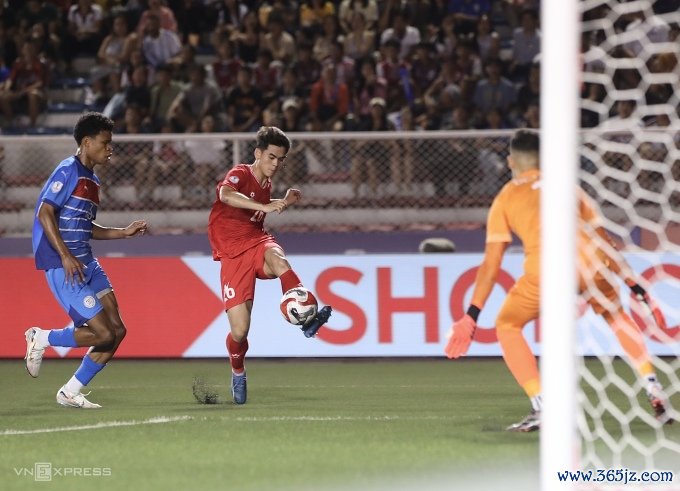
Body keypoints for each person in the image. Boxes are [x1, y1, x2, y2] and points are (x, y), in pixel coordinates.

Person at [444, 129, 672, 431]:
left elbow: (492, 263)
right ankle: (652, 384)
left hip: (547, 270)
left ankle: (542, 406)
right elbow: (604, 241)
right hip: (592, 264)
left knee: (507, 325)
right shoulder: (570, 188)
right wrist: (632, 281)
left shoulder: (506, 197)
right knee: (616, 316)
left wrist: (472, 315)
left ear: (511, 162)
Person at [24, 112, 148, 409]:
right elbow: (44, 212)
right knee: (102, 332)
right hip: (62, 265)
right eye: (105, 143)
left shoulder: (92, 180)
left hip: (86, 263)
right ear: (86, 142)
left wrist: (124, 233)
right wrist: (65, 256)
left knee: (117, 331)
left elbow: (85, 227)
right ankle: (41, 337)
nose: (110, 149)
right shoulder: (68, 170)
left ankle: (69, 392)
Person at [207, 126, 332, 405]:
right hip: (232, 255)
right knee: (239, 331)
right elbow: (226, 195)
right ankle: (237, 370)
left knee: (279, 259)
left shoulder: (266, 185)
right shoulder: (241, 172)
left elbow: (259, 207)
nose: (276, 164)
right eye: (271, 157)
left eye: (281, 159)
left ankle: (307, 319)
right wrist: (265, 207)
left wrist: (283, 202)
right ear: (258, 154)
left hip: (257, 242)